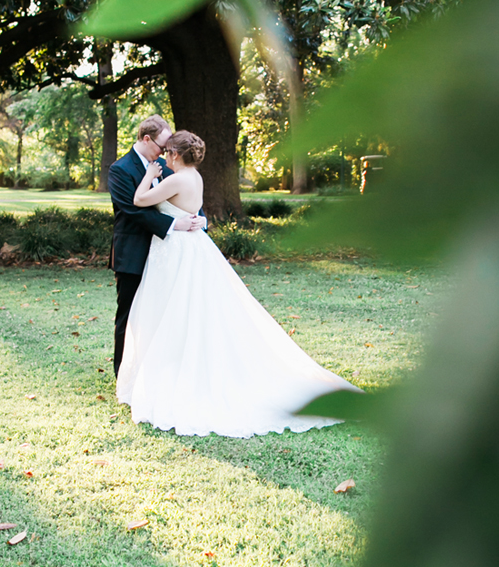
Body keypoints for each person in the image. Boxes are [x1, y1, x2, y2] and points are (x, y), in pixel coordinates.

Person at [116, 128, 361, 437]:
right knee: (188, 314)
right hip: (190, 248)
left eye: (167, 154)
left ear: (175, 154)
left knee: (177, 313)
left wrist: (150, 174)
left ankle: (179, 378)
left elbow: (139, 199)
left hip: (178, 252)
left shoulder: (176, 178)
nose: (163, 158)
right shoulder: (196, 177)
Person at [107, 115, 205, 378]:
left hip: (168, 255)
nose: (166, 152)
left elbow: (184, 195)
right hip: (134, 253)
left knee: (164, 315)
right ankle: (124, 375)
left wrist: (198, 218)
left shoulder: (167, 163)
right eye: (163, 146)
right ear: (147, 139)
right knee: (129, 317)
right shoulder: (120, 169)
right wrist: (174, 226)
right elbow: (132, 210)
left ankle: (158, 374)